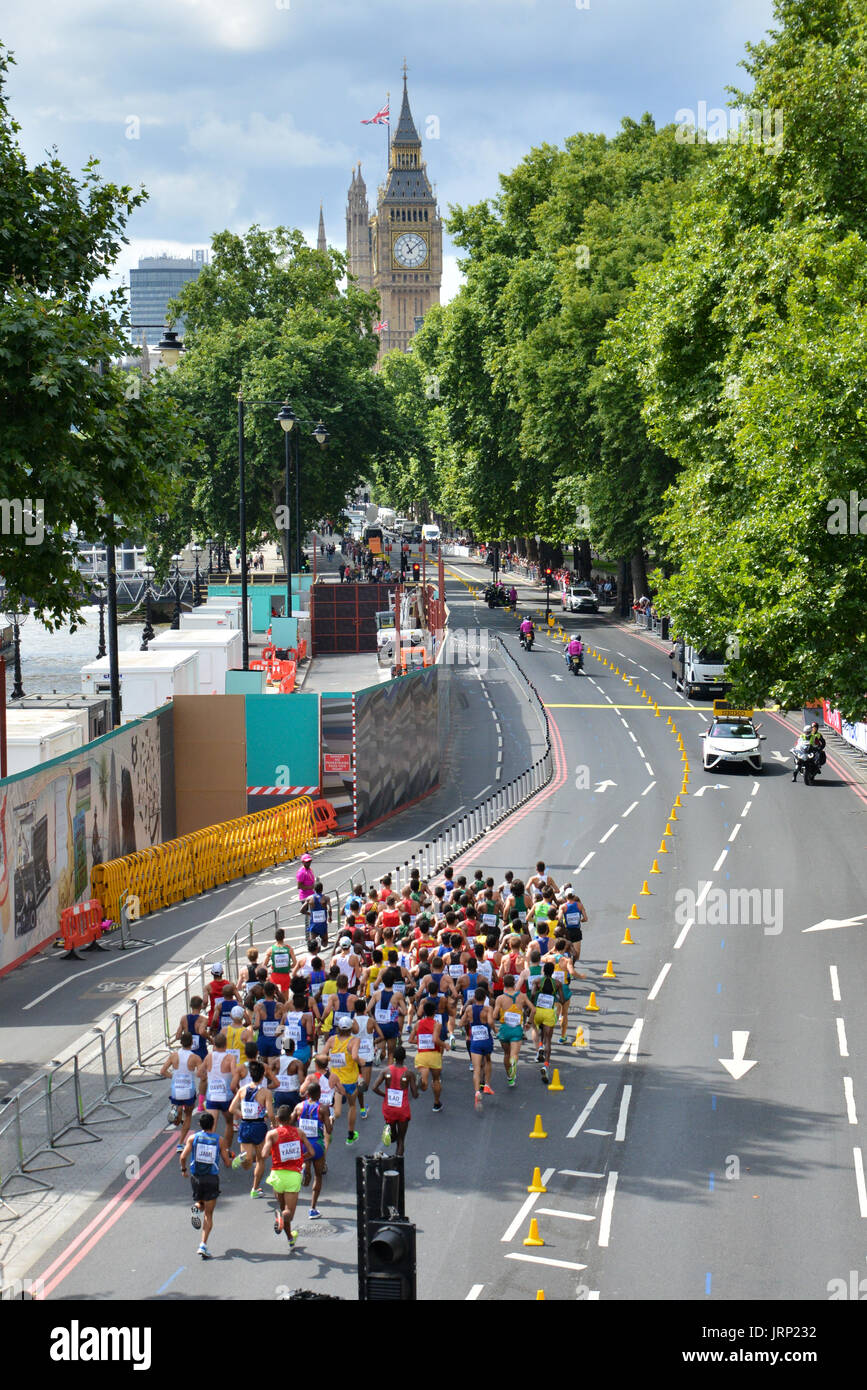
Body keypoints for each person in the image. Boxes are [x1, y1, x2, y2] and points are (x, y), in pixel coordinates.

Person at [180, 1111, 232, 1260]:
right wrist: (230, 1157)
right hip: (211, 1179)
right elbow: (228, 1164)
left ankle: (196, 1208)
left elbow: (183, 1157)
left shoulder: (193, 1138)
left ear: (199, 1125)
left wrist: (184, 1170)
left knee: (200, 1202)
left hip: (196, 1178)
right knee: (208, 1215)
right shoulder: (219, 1140)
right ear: (213, 1124)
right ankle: (203, 1244)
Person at [263, 1105, 315, 1249]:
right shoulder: (299, 1132)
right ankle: (282, 1216)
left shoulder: (272, 1134)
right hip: (293, 1175)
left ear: (278, 1119)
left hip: (277, 1176)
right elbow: (311, 1152)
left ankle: (290, 1239)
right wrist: (300, 1158)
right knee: (289, 1214)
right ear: (291, 1118)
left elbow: (264, 1154)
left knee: (283, 1211)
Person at [230, 1059, 274, 1197]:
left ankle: (242, 1157)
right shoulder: (266, 1092)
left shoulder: (242, 1090)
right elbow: (271, 1113)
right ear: (262, 1077)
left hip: (245, 1126)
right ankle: (255, 1189)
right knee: (261, 1160)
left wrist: (242, 1114)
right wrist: (273, 1123)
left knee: (247, 1162)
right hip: (259, 1126)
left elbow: (231, 1108)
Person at [292, 1084, 332, 1218]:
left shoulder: (298, 1107)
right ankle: (312, 1208)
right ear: (319, 1094)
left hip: (303, 1144)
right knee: (318, 1175)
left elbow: (290, 1124)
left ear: (307, 1094)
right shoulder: (323, 1108)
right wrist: (331, 1121)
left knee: (307, 1164)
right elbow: (329, 1130)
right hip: (317, 1144)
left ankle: (305, 1167)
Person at [373, 1045, 418, 1156]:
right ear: (404, 1058)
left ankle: (390, 1131)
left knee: (394, 1137)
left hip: (389, 1108)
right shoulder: (409, 1074)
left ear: (393, 1057)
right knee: (401, 1141)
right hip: (402, 1110)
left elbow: (374, 1087)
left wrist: (385, 1095)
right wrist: (419, 1084)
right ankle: (397, 1166)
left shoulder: (385, 1070)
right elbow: (415, 1094)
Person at [161, 1031, 200, 1151]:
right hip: (188, 1091)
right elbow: (201, 1073)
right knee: (188, 1116)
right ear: (192, 1043)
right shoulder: (195, 1057)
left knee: (178, 1114)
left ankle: (177, 1111)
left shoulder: (173, 1055)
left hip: (176, 1090)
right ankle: (180, 1144)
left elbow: (162, 1071)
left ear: (181, 1042)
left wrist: (174, 1076)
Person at [461, 986, 496, 1111]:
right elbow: (491, 1022)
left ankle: (477, 1092)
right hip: (486, 1040)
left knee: (476, 1068)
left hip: (475, 1041)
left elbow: (461, 1022)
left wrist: (468, 1022)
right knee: (488, 1061)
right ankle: (486, 1084)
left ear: (474, 998)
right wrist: (495, 1031)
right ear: (485, 998)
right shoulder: (488, 1008)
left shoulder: (469, 1009)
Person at [493, 976, 530, 1087]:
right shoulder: (522, 996)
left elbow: (494, 1015)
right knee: (514, 1054)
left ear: (503, 984)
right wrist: (529, 1022)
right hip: (516, 1029)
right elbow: (533, 1009)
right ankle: (513, 1063)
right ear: (514, 983)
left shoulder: (500, 998)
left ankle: (510, 1078)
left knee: (506, 1054)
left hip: (504, 1029)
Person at [409, 998, 445, 1111]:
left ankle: (422, 1083)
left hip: (422, 1056)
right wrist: (444, 1045)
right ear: (434, 1012)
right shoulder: (437, 1024)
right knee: (436, 1080)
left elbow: (410, 1040)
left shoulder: (418, 1023)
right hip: (434, 1055)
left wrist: (419, 1042)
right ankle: (436, 1103)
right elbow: (435, 1039)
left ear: (424, 1012)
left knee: (424, 1085)